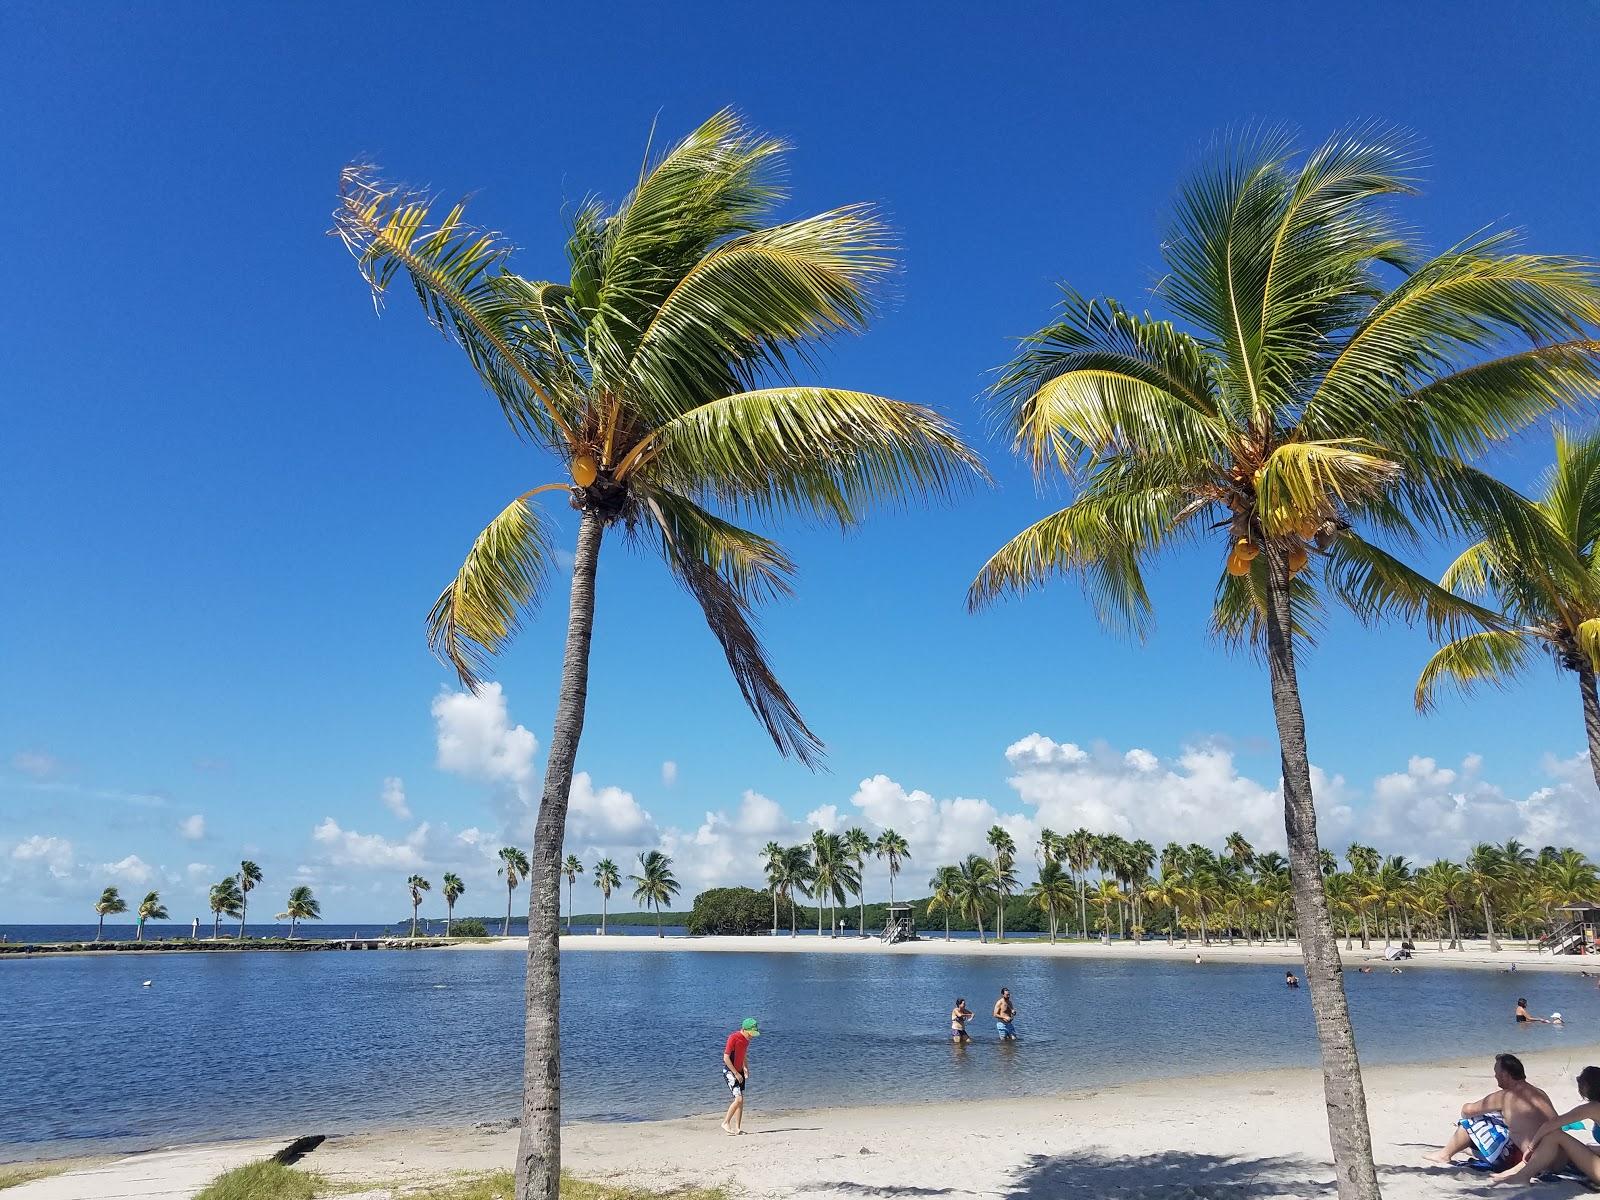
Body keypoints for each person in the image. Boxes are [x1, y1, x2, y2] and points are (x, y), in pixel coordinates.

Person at [1423, 1053, 1557, 1169]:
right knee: (1499, 1121)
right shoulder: (1540, 1093)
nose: (1495, 1076)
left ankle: (1444, 1155)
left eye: (1496, 1072)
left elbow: (1467, 1110)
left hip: (1526, 1158)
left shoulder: (1506, 1096)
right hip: (1552, 1155)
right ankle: (1471, 1150)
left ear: (1505, 1074)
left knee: (1471, 1121)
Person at [1492, 1065, 1600, 1183]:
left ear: (1588, 1086)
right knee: (1585, 1147)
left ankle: (1522, 1175)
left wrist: (1531, 1147)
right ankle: (1519, 1171)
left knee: (1555, 1135)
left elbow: (1551, 1124)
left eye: (1581, 1082)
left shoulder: (1593, 1108)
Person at [720, 1017, 759, 1134]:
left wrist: (745, 1067)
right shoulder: (733, 1038)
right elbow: (726, 1058)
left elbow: (743, 1054)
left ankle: (737, 1128)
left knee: (741, 1101)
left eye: (753, 1034)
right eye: (750, 1034)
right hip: (730, 1072)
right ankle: (725, 1122)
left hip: (740, 1072)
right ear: (744, 1029)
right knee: (739, 1099)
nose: (752, 1037)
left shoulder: (746, 1040)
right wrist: (736, 1073)